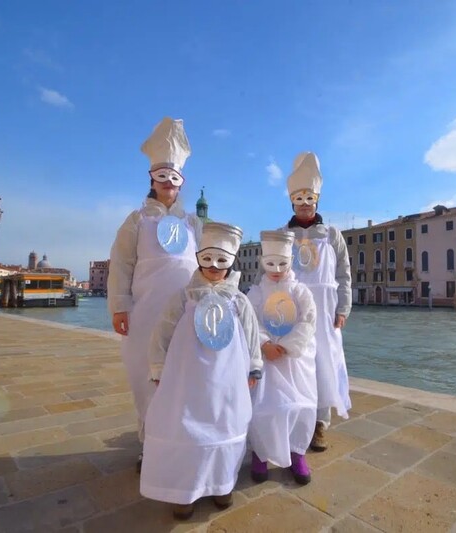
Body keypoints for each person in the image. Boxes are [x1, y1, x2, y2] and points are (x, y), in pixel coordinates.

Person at [141, 222, 263, 520]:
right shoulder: (184, 297)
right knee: (188, 428)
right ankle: (185, 490)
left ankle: (221, 483)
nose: (214, 267)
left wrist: (254, 367)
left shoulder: (239, 300)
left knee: (225, 424)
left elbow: (251, 335)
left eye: (222, 260)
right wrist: (157, 367)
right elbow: (162, 332)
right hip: (188, 379)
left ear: (231, 261)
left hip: (228, 380)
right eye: (207, 259)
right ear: (198, 257)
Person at [107, 117, 201, 472]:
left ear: (181, 183)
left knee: (183, 378)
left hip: (184, 316)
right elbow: (121, 265)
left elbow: (207, 266)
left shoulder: (194, 224)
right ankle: (150, 444)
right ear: (152, 179)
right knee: (146, 379)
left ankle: (181, 439)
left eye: (173, 179)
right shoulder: (136, 221)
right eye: (162, 177)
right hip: (146, 314)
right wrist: (119, 306)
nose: (168, 184)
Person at [281, 152, 351, 452]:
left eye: (310, 198)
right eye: (299, 199)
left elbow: (344, 274)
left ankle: (320, 424)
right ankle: (296, 418)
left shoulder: (333, 235)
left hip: (324, 311)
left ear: (317, 199)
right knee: (294, 362)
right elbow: (268, 272)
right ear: (292, 202)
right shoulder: (282, 235)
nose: (305, 204)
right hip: (291, 310)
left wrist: (343, 308)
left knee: (323, 363)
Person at [246, 230, 317, 485]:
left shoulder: (301, 291)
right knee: (264, 406)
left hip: (294, 360)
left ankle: (297, 451)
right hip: (267, 358)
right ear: (263, 261)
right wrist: (265, 344)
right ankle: (261, 452)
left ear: (290, 262)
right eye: (270, 263)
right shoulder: (255, 292)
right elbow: (250, 319)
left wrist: (286, 346)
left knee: (303, 405)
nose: (276, 269)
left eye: (282, 263)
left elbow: (308, 319)